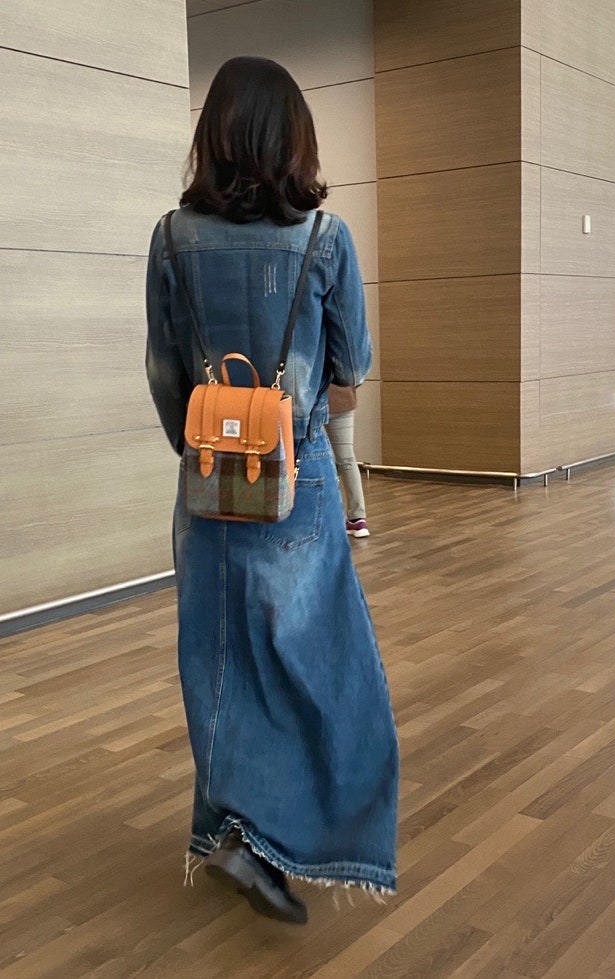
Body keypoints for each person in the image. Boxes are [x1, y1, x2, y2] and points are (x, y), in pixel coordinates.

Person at [145, 56, 399, 925]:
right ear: (294, 139)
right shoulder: (325, 239)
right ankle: (288, 837)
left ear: (212, 135)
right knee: (319, 663)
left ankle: (231, 831)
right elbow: (351, 369)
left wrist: (205, 447)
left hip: (206, 479)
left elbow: (165, 375)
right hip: (299, 481)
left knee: (218, 660)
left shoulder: (170, 238)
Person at [326, 384, 370, 537]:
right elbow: (357, 373)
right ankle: (358, 519)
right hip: (344, 399)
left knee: (319, 461)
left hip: (314, 403)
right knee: (347, 460)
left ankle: (331, 516)